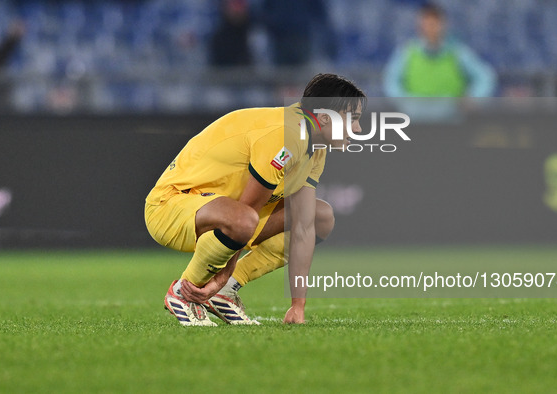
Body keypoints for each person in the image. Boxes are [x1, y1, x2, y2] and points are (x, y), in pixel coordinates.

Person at [145, 73, 366, 326]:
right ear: (325, 118)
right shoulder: (287, 135)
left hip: (224, 211)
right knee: (244, 219)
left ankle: (226, 291)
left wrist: (298, 306)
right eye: (354, 119)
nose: (358, 129)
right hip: (170, 206)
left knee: (319, 216)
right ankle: (185, 293)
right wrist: (217, 275)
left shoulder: (315, 147)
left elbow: (304, 227)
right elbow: (246, 210)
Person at [383, 3, 495, 98]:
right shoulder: (407, 52)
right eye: (426, 24)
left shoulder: (458, 52)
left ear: (443, 25)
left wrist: (473, 98)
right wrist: (405, 103)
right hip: (416, 119)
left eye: (434, 24)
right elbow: (391, 82)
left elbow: (485, 77)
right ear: (419, 25)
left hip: (451, 118)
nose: (431, 28)